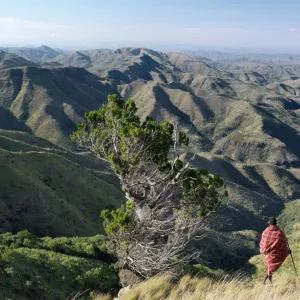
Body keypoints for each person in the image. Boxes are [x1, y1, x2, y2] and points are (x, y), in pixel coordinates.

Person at [260, 217, 291, 284]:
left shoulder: (265, 232)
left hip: (268, 254)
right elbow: (283, 243)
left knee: (269, 268)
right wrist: (287, 251)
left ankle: (265, 282)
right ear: (276, 223)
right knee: (270, 268)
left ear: (269, 223)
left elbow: (263, 243)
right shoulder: (280, 232)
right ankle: (268, 282)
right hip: (276, 254)